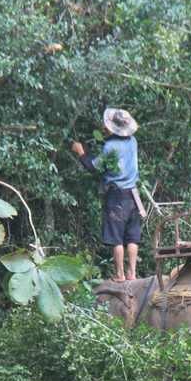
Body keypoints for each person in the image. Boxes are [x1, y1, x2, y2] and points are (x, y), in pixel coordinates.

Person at [71, 108, 145, 283]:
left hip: (117, 196)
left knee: (116, 237)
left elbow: (93, 167)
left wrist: (80, 152)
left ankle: (120, 274)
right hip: (133, 196)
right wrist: (108, 132)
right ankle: (132, 273)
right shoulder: (133, 141)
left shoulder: (110, 146)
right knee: (132, 237)